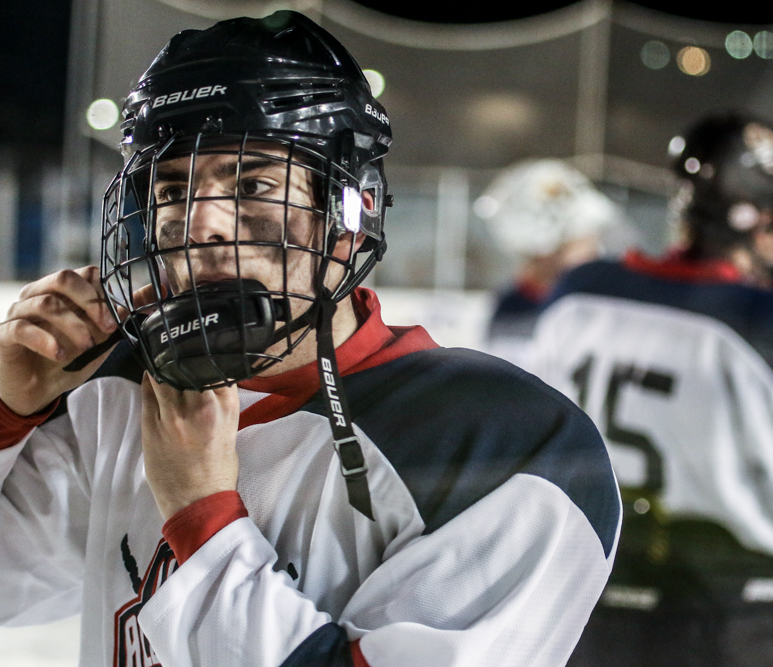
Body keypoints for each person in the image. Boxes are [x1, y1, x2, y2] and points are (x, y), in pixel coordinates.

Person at [0, 12, 620, 667]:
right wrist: (7, 413)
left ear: (350, 214)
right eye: (172, 188)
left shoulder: (503, 444)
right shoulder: (120, 387)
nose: (198, 223)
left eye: (253, 183)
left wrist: (200, 513)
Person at [531, 114, 773, 667]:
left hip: (582, 609)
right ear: (759, 220)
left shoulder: (577, 293)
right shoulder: (768, 326)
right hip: (717, 623)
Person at [476, 159, 626, 367]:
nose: (595, 249)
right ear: (546, 251)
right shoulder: (515, 311)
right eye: (582, 239)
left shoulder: (589, 296)